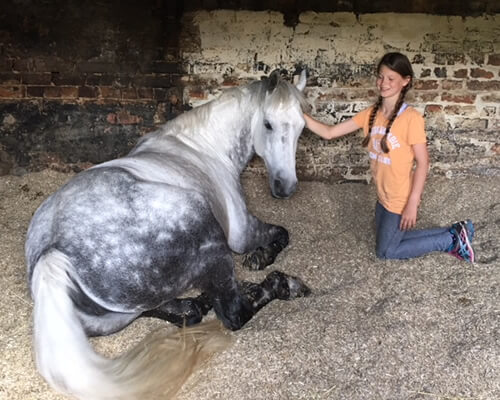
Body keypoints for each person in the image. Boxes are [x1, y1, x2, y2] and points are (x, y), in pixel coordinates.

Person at [304, 52, 475, 262]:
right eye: (380, 77)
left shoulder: (411, 118)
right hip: (382, 196)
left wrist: (412, 203)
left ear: (405, 81)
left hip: (399, 199)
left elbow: (423, 163)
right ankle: (455, 232)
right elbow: (329, 133)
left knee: (386, 252)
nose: (383, 83)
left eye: (391, 79)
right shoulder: (371, 114)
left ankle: (450, 241)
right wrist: (299, 115)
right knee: (393, 239)